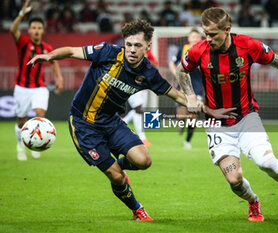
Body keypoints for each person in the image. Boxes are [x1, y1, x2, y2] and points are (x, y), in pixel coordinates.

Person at [28, 19, 234, 221]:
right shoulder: (107, 52)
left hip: (111, 122)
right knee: (117, 176)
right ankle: (137, 209)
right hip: (84, 124)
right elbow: (72, 51)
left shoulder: (148, 73)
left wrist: (208, 110)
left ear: (148, 46)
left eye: (138, 45)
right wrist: (49, 56)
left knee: (144, 161)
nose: (132, 50)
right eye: (129, 44)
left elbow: (176, 94)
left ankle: (114, 164)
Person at [176, 7, 278, 222]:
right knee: (234, 180)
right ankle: (253, 202)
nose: (207, 38)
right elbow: (182, 70)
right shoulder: (199, 50)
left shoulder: (248, 45)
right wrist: (190, 95)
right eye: (205, 33)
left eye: (212, 34)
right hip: (217, 125)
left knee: (266, 163)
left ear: (227, 29)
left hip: (247, 118)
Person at [10, 0, 63, 161]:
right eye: (33, 28)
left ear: (42, 30)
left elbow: (53, 60)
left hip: (40, 86)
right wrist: (21, 13)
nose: (36, 30)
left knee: (40, 115)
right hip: (22, 87)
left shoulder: (46, 47)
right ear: (29, 30)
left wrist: (59, 77)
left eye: (39, 28)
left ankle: (35, 144)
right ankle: (20, 144)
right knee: (21, 121)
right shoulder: (23, 43)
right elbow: (13, 30)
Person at [169, 28, 203, 150]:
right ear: (189, 38)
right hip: (183, 87)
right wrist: (176, 74)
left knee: (193, 116)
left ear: (200, 39)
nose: (194, 39)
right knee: (181, 117)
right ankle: (181, 124)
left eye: (197, 37)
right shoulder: (182, 49)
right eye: (192, 37)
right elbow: (172, 63)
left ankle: (187, 141)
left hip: (197, 88)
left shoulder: (204, 50)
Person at [123, 50, 158, 147]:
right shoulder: (131, 50)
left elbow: (154, 65)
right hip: (132, 84)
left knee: (139, 110)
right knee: (139, 109)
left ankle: (122, 123)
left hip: (144, 87)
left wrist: (146, 60)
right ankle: (142, 138)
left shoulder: (148, 52)